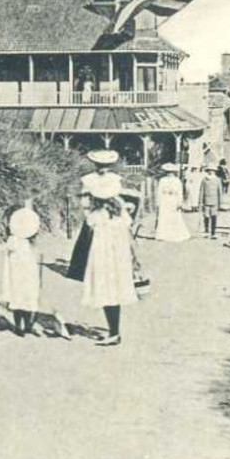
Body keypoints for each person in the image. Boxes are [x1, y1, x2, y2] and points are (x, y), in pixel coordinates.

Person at [75, 148, 137, 347]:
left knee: (104, 284)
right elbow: (127, 227)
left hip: (102, 247)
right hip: (117, 249)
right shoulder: (119, 211)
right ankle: (114, 330)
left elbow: (88, 219)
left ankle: (114, 331)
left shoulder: (96, 213)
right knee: (114, 284)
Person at [1, 206, 41, 337]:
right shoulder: (29, 240)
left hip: (17, 274)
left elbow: (6, 248)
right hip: (28, 274)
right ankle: (27, 325)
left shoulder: (13, 239)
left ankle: (20, 326)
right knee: (27, 298)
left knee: (18, 299)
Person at [155, 164, 190, 242]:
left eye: (171, 172)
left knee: (174, 217)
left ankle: (174, 234)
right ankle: (163, 235)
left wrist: (179, 202)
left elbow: (180, 192)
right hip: (164, 200)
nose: (169, 174)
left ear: (174, 173)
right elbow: (159, 192)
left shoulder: (177, 181)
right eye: (168, 172)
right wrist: (158, 202)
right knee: (164, 216)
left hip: (173, 200)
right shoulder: (162, 180)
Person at [199, 164, 223, 239]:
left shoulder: (217, 180)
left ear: (215, 171)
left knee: (214, 216)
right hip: (206, 200)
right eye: (209, 170)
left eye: (212, 170)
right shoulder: (204, 179)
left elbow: (220, 192)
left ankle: (213, 233)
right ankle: (206, 231)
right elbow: (201, 191)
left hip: (215, 201)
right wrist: (200, 202)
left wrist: (220, 203)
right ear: (207, 171)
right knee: (206, 216)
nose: (211, 172)